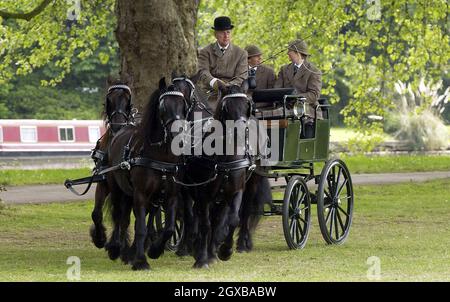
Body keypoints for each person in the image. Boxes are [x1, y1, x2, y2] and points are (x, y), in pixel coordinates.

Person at [197, 16, 248, 112]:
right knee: (199, 112)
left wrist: (227, 86)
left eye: (228, 32)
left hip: (232, 93)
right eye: (222, 32)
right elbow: (203, 72)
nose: (226, 36)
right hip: (210, 92)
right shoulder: (205, 52)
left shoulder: (241, 53)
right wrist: (214, 82)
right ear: (215, 34)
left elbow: (241, 77)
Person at [274, 39, 322, 122]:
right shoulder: (284, 69)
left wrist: (295, 98)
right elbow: (276, 90)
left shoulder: (313, 71)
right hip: (285, 109)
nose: (287, 53)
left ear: (298, 53)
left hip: (307, 110)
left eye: (290, 50)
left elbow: (314, 95)